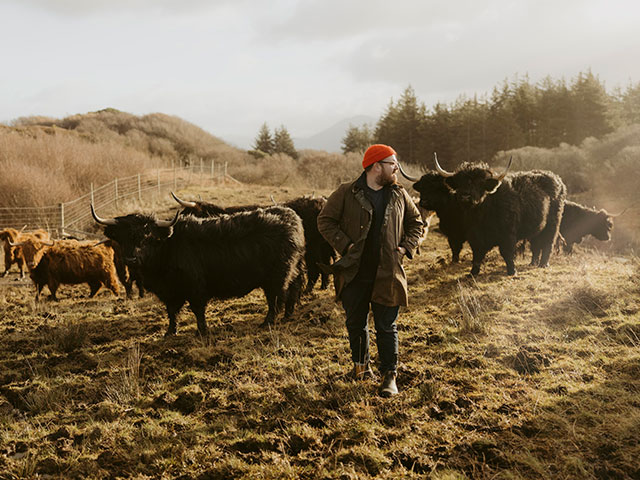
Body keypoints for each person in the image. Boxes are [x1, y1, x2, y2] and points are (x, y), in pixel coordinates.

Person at [317, 144, 423, 397]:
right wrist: (346, 245)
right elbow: (325, 221)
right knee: (356, 323)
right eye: (392, 163)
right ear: (376, 166)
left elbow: (416, 223)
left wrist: (405, 248)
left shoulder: (398, 194)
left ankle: (389, 375)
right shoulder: (346, 192)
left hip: (388, 271)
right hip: (354, 271)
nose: (396, 168)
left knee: (387, 326)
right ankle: (361, 368)